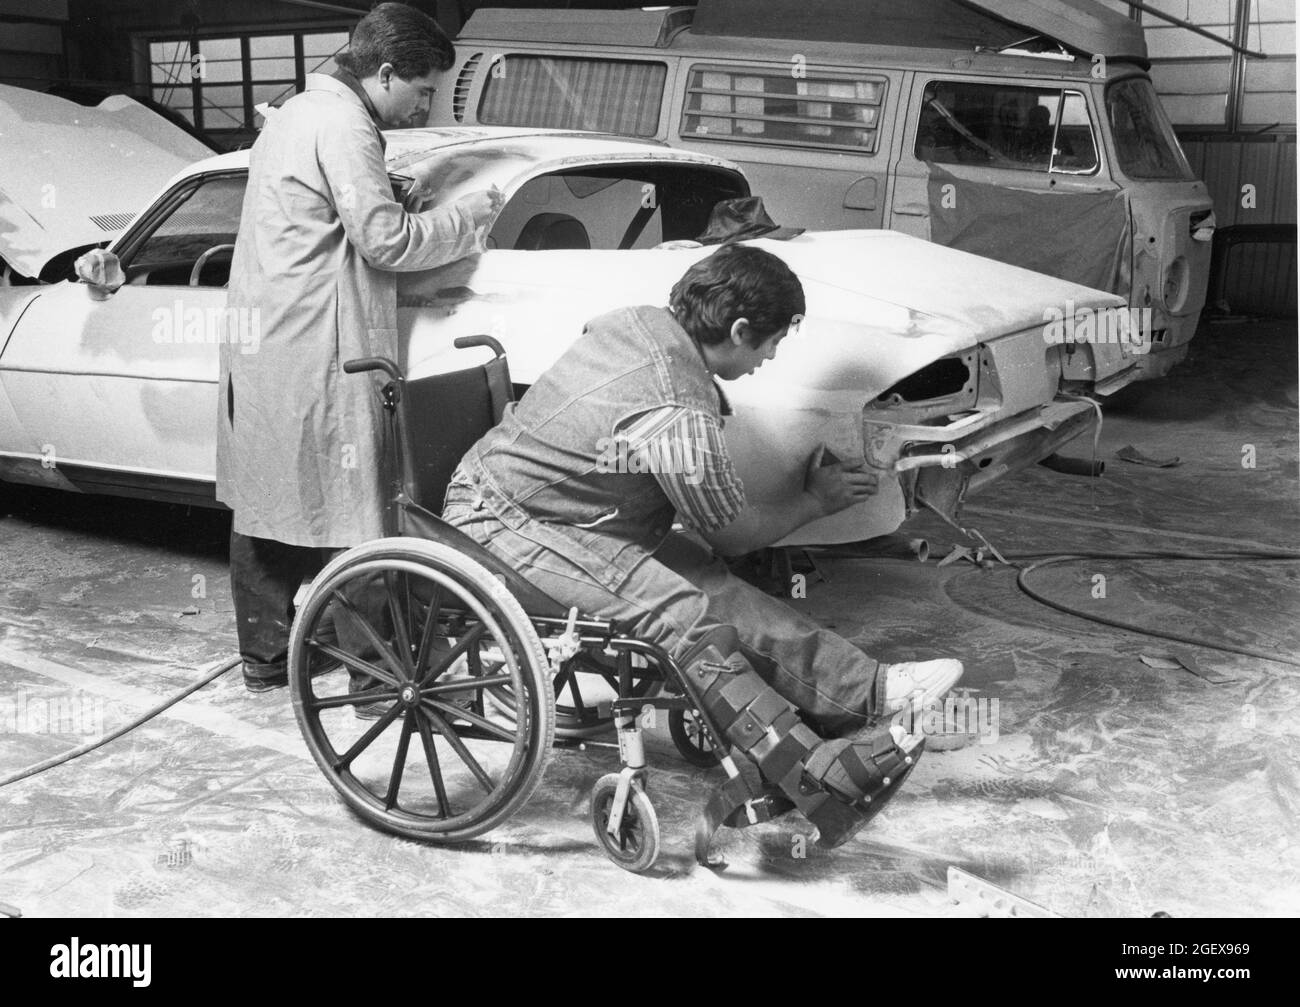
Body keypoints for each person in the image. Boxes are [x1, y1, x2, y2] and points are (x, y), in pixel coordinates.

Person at [442, 243, 963, 846]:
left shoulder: (638, 320)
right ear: (739, 329)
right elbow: (735, 533)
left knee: (705, 578)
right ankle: (814, 778)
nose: (771, 355)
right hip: (506, 521)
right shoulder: (675, 406)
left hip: (556, 506)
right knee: (679, 610)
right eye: (771, 342)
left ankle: (863, 690)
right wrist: (815, 501)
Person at [217, 3, 501, 693]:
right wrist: (471, 215)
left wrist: (393, 189)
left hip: (268, 337)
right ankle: (376, 677)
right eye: (424, 88)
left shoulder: (295, 112)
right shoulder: (346, 125)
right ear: (382, 73)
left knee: (267, 494)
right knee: (357, 499)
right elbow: (386, 242)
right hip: (321, 338)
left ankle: (267, 656)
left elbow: (317, 209)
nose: (427, 103)